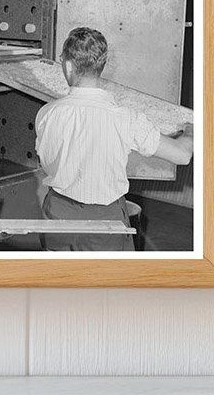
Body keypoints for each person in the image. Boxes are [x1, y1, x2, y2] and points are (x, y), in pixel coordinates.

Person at [34, 26, 194, 252]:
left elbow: (46, 163)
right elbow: (183, 155)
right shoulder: (126, 119)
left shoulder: (47, 114)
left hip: (58, 213)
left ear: (68, 65)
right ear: (102, 65)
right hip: (104, 220)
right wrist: (190, 132)